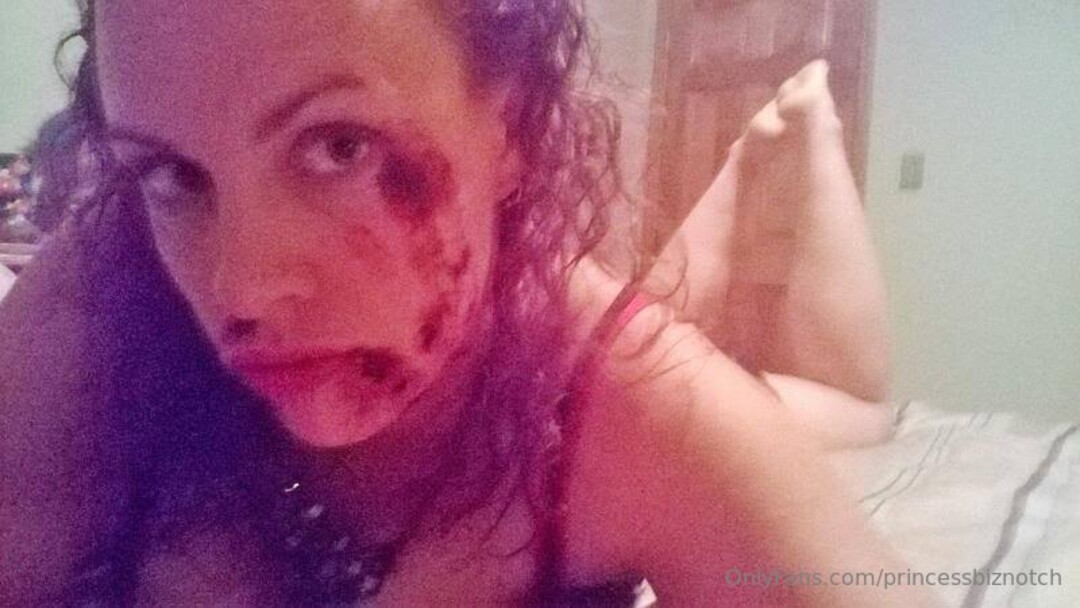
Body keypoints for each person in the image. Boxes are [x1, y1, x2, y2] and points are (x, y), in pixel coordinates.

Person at [0, 1, 937, 606]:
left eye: (338, 147)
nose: (239, 291)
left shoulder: (624, 391)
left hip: (639, 362)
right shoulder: (102, 303)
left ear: (513, 125)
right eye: (172, 174)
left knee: (844, 410)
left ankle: (795, 133)